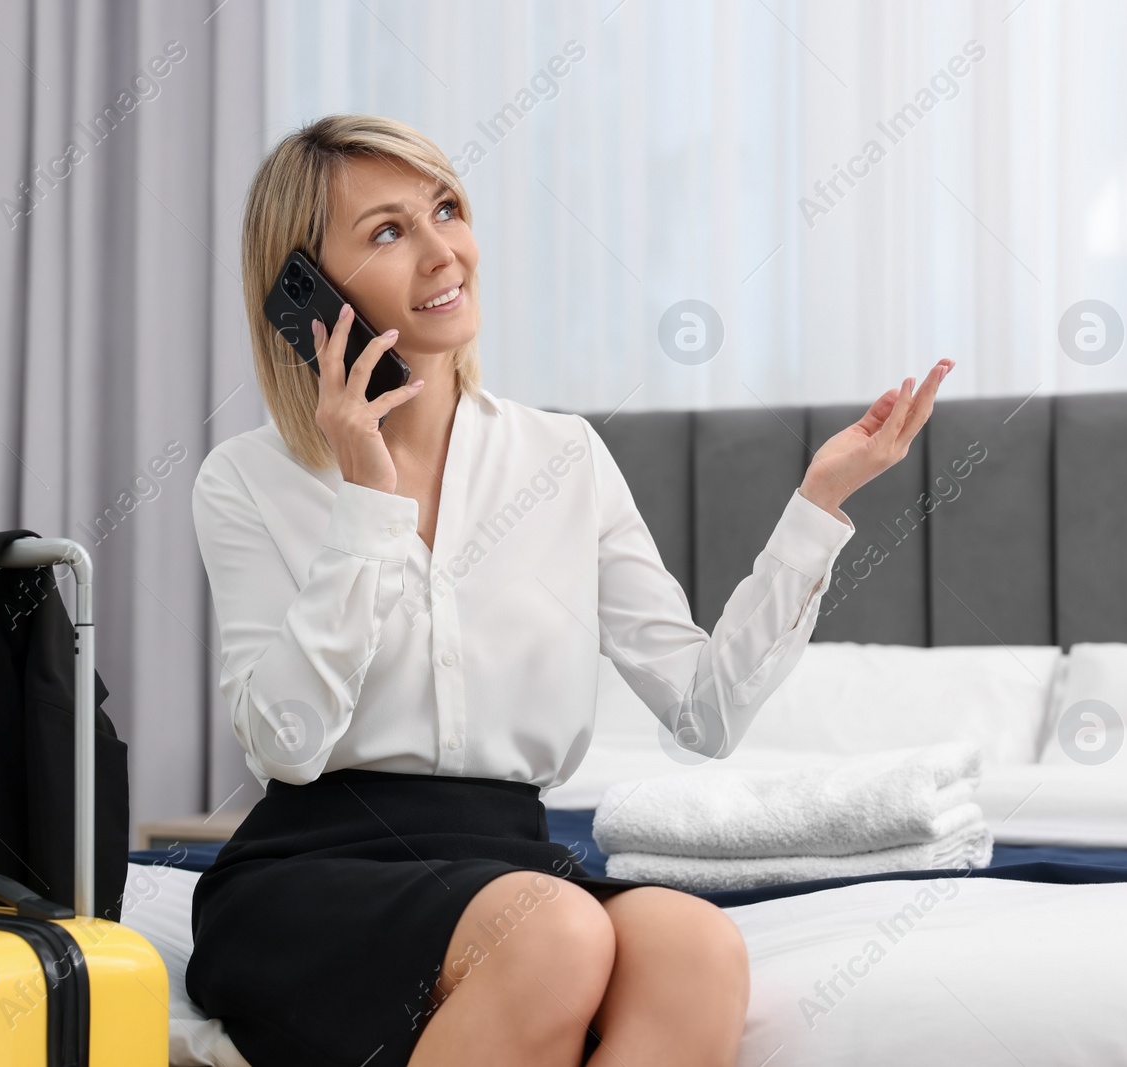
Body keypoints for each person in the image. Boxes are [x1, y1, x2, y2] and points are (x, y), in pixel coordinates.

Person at [186, 113, 953, 1067]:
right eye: (387, 231)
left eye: (446, 210)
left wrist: (819, 503)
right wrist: (368, 507)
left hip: (507, 866)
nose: (442, 251)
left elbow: (703, 712)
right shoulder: (245, 479)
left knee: (695, 948)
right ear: (309, 290)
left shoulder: (563, 457)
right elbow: (286, 746)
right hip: (315, 870)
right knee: (553, 930)